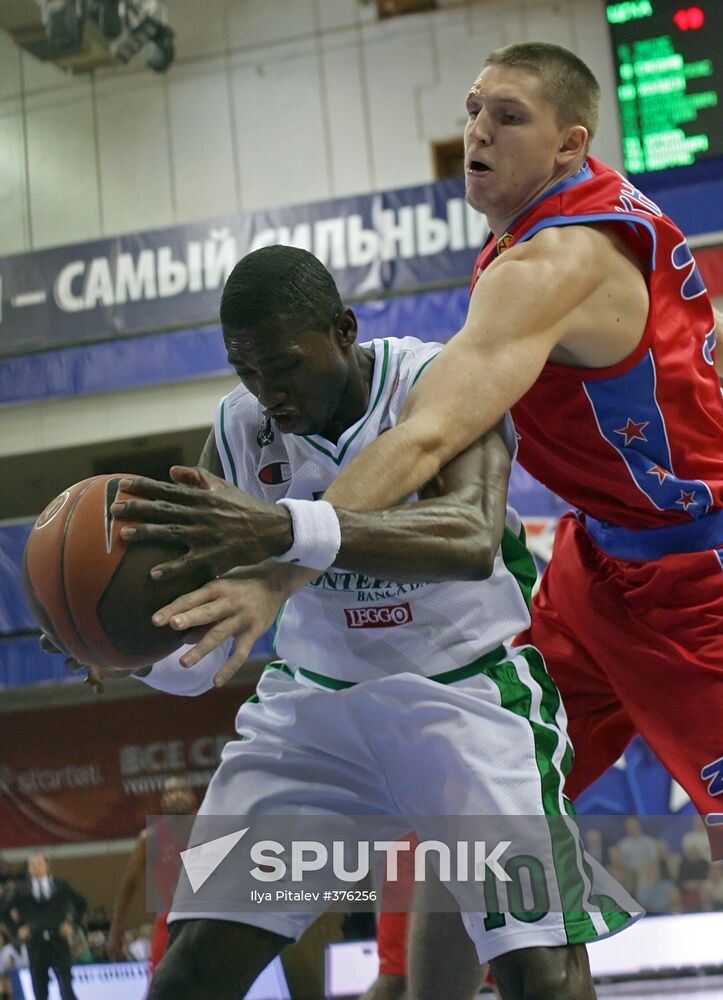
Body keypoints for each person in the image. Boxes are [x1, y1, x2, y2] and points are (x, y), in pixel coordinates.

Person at [107, 40, 723, 987]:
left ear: (571, 145)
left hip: (700, 581)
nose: (477, 131)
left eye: (507, 117)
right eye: (474, 109)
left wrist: (281, 563)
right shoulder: (554, 234)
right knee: (474, 818)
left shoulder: (546, 265)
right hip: (595, 564)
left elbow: (428, 443)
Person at [90, 245, 638, 1000]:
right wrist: (126, 647)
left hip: (465, 705)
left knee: (543, 979)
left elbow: (472, 536)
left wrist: (288, 531)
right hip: (316, 719)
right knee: (189, 975)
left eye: (283, 364)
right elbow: (215, 614)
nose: (268, 391)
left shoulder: (436, 379)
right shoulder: (239, 428)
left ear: (344, 329)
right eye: (247, 371)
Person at [106, 776, 197, 969]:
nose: (177, 796)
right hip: (169, 921)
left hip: (204, 920)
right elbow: (129, 884)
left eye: (182, 790)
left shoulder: (209, 829)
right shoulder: (150, 837)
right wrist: (116, 930)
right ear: (163, 802)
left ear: (192, 797)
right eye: (170, 792)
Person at [14, 853, 86, 1000]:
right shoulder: (22, 889)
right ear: (28, 869)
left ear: (47, 865)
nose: (36, 867)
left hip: (58, 940)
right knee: (40, 990)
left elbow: (81, 903)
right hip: (36, 943)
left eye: (39, 863)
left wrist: (72, 924)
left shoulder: (60, 884)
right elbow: (4, 910)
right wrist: (18, 928)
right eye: (32, 864)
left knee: (67, 987)